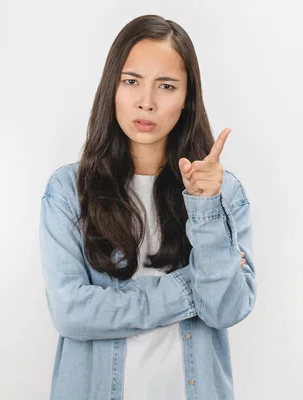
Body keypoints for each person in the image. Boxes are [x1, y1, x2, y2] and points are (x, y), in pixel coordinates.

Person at [39, 14, 257, 400]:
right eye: (131, 81)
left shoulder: (222, 193)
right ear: (112, 88)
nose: (146, 101)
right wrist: (188, 289)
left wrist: (205, 207)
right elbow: (71, 312)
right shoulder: (69, 191)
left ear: (187, 98)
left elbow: (225, 310)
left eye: (167, 85)